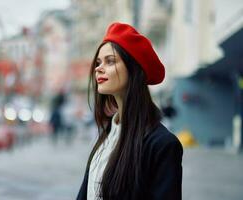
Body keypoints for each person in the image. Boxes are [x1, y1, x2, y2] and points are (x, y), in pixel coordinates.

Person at [76, 22, 183, 200]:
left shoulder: (162, 145)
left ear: (133, 69)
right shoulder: (108, 134)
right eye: (98, 62)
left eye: (110, 61)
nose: (98, 68)